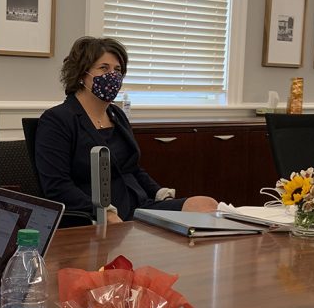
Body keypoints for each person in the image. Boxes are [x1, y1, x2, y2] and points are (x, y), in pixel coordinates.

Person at [34, 36, 219, 222]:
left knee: (206, 205)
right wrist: (104, 212)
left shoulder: (117, 115)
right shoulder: (57, 120)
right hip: (94, 214)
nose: (112, 75)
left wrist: (160, 193)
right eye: (104, 68)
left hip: (139, 205)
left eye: (118, 70)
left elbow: (133, 168)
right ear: (82, 74)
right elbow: (56, 186)